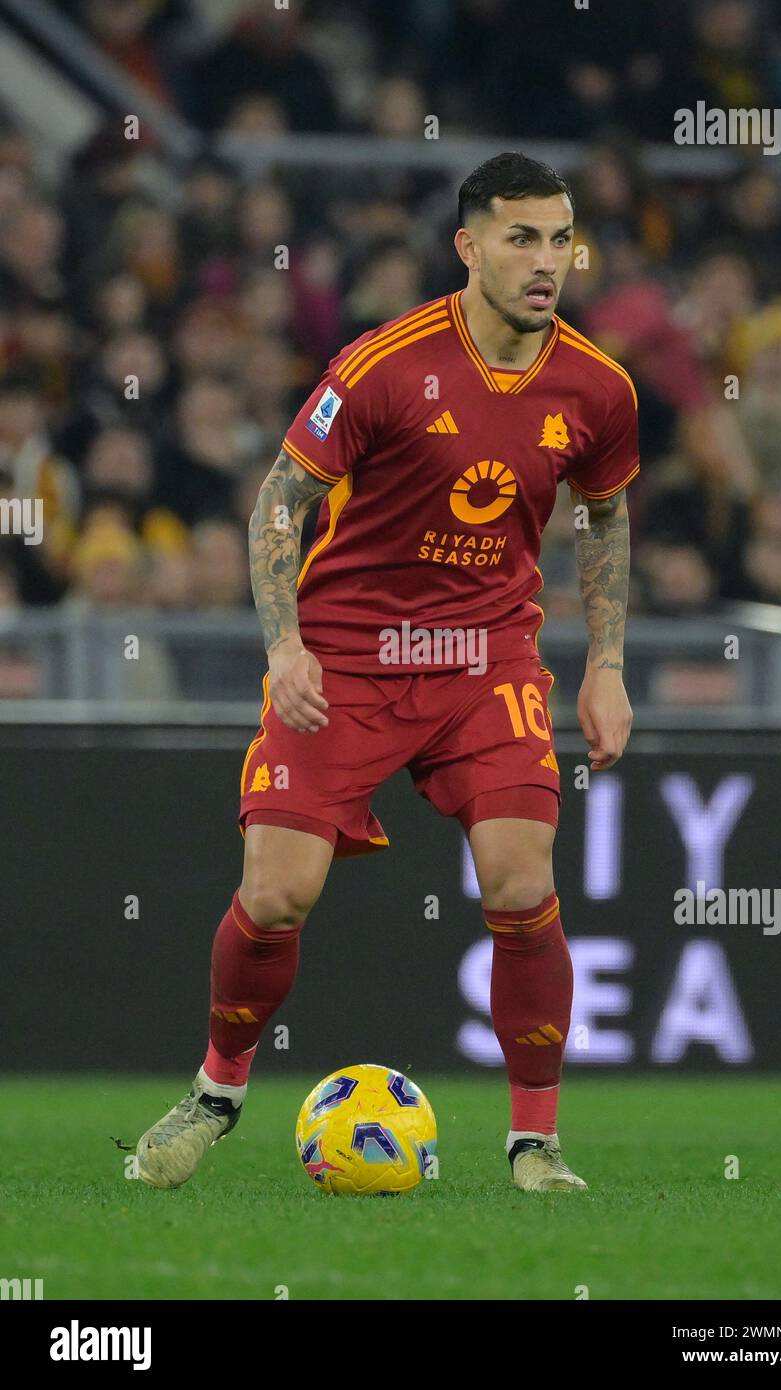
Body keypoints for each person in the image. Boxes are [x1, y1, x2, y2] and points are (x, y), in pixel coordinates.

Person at [135, 153, 639, 1194]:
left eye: (560, 239)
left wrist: (608, 665)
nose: (548, 263)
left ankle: (535, 1144)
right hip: (352, 654)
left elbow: (606, 513)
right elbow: (279, 499)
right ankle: (217, 1090)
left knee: (521, 879)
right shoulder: (384, 365)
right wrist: (286, 648)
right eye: (521, 238)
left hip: (486, 653)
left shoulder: (597, 386)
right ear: (468, 247)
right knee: (275, 898)